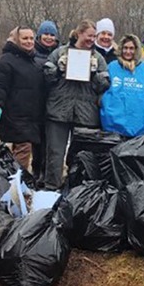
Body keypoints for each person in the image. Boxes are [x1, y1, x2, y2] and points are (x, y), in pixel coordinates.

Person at [42, 20, 110, 190]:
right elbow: (46, 77)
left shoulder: (98, 58)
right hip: (59, 111)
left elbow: (105, 85)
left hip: (85, 115)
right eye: (89, 36)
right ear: (79, 34)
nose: (92, 39)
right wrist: (57, 70)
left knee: (79, 156)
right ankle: (52, 188)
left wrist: (96, 75)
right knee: (55, 154)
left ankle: (75, 189)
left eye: (94, 36)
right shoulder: (60, 53)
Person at [0, 26, 46, 171]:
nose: (29, 41)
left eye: (31, 38)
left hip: (30, 116)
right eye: (25, 38)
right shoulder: (6, 61)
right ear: (16, 40)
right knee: (23, 149)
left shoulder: (33, 62)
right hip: (14, 115)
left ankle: (14, 183)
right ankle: (18, 186)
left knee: (21, 149)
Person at [100, 34, 144, 137]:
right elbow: (101, 88)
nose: (128, 51)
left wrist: (143, 105)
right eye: (125, 48)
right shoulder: (112, 67)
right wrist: (105, 103)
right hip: (112, 122)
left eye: (131, 48)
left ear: (136, 50)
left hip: (137, 123)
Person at [31, 20, 60, 186]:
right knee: (37, 142)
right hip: (36, 103)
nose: (49, 37)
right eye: (46, 34)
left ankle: (47, 173)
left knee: (51, 144)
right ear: (39, 35)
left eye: (52, 34)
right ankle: (36, 173)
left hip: (55, 104)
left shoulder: (61, 54)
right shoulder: (31, 53)